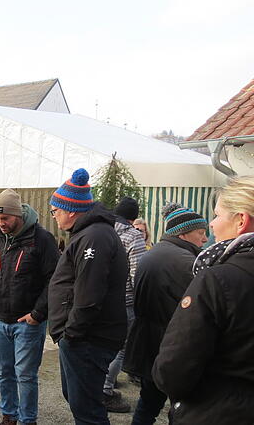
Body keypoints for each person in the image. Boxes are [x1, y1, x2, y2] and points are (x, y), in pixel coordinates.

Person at [153, 176, 254, 424]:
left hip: (217, 411)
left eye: (217, 215)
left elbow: (173, 370)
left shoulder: (218, 279)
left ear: (241, 220)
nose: (212, 224)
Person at [47, 169, 128, 425]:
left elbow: (89, 294)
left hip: (88, 339)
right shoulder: (89, 234)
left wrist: (71, 334)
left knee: (87, 410)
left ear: (70, 210)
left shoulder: (94, 236)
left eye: (55, 211)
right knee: (79, 401)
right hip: (84, 338)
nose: (54, 217)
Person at [0, 189, 59, 425]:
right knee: (4, 373)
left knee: (25, 376)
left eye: (5, 218)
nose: (0, 223)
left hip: (28, 323)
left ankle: (27, 420)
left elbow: (53, 279)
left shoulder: (42, 239)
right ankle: (8, 416)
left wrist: (37, 314)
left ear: (18, 215)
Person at [123, 203, 208, 425]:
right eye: (201, 232)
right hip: (171, 345)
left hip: (149, 342)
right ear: (183, 233)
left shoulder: (156, 253)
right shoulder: (185, 262)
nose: (205, 239)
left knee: (149, 402)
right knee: (182, 406)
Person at [102, 197, 147, 413]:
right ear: (132, 218)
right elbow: (137, 274)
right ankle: (105, 391)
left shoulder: (101, 230)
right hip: (124, 301)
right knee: (120, 349)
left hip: (99, 300)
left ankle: (97, 386)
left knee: (101, 345)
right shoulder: (133, 236)